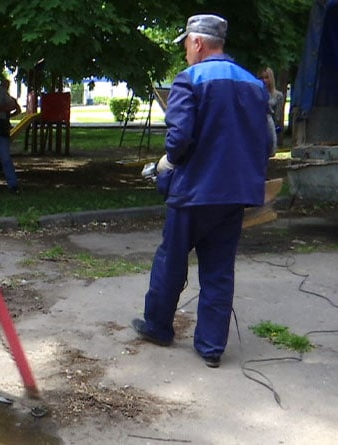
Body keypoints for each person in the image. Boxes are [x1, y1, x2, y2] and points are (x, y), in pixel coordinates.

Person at [131, 14, 276, 368]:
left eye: (185, 45)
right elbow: (268, 143)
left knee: (171, 260)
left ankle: (158, 327)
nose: (184, 53)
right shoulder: (254, 85)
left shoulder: (190, 79)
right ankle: (211, 347)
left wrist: (167, 162)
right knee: (219, 270)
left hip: (193, 192)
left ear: (197, 42)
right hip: (235, 194)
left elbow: (179, 140)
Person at [260, 67, 286, 141]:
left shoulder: (278, 95)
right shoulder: (258, 93)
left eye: (267, 77)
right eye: (262, 78)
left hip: (270, 124)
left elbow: (278, 115)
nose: (264, 80)